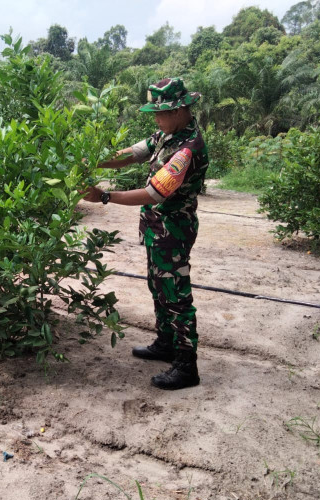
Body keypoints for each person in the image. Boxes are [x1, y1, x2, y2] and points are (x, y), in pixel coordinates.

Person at [82, 78, 208, 390]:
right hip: (156, 229)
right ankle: (165, 342)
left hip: (173, 230)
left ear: (178, 110)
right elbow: (134, 153)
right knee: (158, 285)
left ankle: (186, 364)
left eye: (159, 112)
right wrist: (92, 159)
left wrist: (105, 197)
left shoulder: (187, 149)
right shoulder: (168, 134)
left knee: (176, 294)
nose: (155, 118)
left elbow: (155, 193)